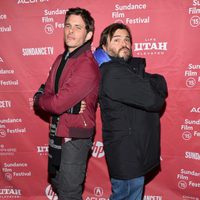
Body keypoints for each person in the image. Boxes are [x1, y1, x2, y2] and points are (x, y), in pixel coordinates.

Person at [93, 23, 168, 200]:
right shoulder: (112, 71)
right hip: (127, 154)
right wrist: (150, 85)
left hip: (134, 151)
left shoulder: (128, 69)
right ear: (104, 47)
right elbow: (154, 100)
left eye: (127, 39)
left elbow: (161, 83)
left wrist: (148, 83)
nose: (124, 43)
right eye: (117, 40)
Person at [34, 7, 100, 200]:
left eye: (77, 27)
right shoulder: (60, 59)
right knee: (58, 183)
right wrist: (44, 99)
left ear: (88, 35)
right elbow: (48, 95)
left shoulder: (86, 64)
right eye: (68, 26)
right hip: (58, 131)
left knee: (68, 193)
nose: (70, 31)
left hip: (75, 137)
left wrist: (41, 100)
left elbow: (54, 104)